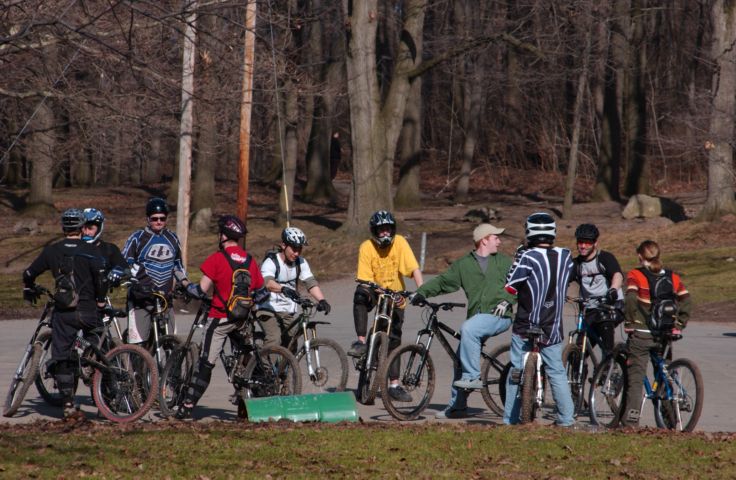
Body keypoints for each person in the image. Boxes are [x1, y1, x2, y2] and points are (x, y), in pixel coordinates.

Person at [411, 223, 515, 419]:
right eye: (495, 238)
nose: (499, 241)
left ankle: (472, 376)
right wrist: (421, 292)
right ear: (484, 240)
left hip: (500, 316)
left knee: (468, 329)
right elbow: (443, 282)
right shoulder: (463, 264)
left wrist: (507, 300)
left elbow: (519, 285)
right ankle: (458, 407)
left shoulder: (503, 262)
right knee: (460, 359)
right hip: (477, 318)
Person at [175, 214, 265, 420]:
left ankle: (187, 406)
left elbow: (200, 291)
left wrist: (186, 286)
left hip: (220, 316)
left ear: (224, 235)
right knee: (245, 358)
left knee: (206, 362)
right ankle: (257, 400)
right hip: (242, 319)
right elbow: (261, 291)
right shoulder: (250, 260)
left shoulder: (217, 259)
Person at [22, 209, 106, 420]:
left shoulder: (52, 251)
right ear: (81, 227)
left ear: (63, 228)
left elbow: (29, 273)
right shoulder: (91, 249)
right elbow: (101, 278)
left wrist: (28, 287)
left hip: (65, 311)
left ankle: (68, 403)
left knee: (61, 354)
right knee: (99, 340)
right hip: (89, 311)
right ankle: (96, 371)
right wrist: (101, 299)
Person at [503, 212, 575, 427]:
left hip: (526, 322)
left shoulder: (528, 256)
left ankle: (510, 419)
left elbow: (510, 285)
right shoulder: (565, 255)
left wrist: (517, 259)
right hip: (552, 324)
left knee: (516, 369)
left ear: (530, 232)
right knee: (556, 372)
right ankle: (566, 419)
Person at [349, 210, 424, 402]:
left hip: (395, 293)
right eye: (381, 230)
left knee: (394, 339)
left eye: (388, 229)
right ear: (375, 231)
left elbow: (413, 268)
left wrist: (422, 291)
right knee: (359, 295)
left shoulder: (399, 242)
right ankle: (361, 341)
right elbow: (364, 279)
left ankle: (394, 385)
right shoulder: (367, 246)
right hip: (374, 290)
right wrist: (378, 290)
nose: (385, 234)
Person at [620, 240, 692, 427]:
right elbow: (686, 299)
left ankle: (631, 421)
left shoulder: (636, 275)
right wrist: (680, 323)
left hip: (643, 333)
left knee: (636, 378)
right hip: (665, 334)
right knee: (664, 375)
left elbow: (629, 299)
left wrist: (629, 322)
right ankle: (669, 422)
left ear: (640, 256)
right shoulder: (672, 276)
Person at [121, 197, 190, 344]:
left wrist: (185, 284)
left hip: (165, 298)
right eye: (154, 219)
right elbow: (125, 262)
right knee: (139, 344)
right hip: (142, 298)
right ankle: (136, 366)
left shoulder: (172, 238)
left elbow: (177, 265)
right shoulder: (137, 238)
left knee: (171, 343)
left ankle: (168, 366)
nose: (158, 222)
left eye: (162, 218)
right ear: (147, 219)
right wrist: (131, 278)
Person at [256, 227, 331, 349]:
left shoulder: (300, 262)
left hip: (286, 309)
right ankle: (267, 368)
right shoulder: (271, 261)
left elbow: (310, 282)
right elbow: (268, 282)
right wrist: (283, 289)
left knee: (292, 340)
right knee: (274, 339)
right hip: (267, 307)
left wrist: (322, 300)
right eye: (294, 249)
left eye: (299, 249)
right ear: (284, 245)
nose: (296, 253)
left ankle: (290, 368)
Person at [570, 223, 624, 356]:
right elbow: (563, 280)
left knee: (604, 322)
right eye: (580, 242)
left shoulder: (605, 258)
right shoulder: (576, 264)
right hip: (590, 309)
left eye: (587, 243)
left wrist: (613, 290)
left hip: (611, 306)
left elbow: (617, 275)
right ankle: (579, 372)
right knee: (579, 350)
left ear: (595, 243)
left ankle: (608, 364)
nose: (583, 246)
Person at [82, 208, 128, 291]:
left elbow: (124, 267)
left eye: (90, 228)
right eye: (83, 228)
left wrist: (117, 272)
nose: (86, 232)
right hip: (76, 298)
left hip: (101, 297)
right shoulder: (74, 247)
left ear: (99, 228)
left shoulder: (109, 249)